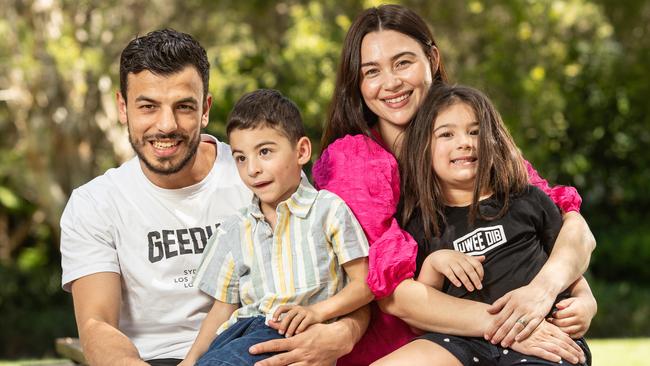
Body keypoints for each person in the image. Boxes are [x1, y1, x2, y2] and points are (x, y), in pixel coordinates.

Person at [289, 4, 594, 366]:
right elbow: (392, 293)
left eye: (403, 63)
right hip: (409, 341)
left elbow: (570, 225)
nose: (390, 83)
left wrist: (550, 294)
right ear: (357, 83)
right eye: (372, 71)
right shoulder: (357, 162)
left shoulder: (473, 141)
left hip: (501, 327)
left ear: (432, 59)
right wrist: (511, 325)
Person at [60, 29, 368, 366]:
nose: (166, 124)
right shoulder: (94, 203)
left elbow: (342, 279)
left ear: (205, 108)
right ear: (123, 107)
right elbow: (96, 325)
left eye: (184, 107)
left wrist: (343, 334)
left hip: (265, 343)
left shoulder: (261, 177)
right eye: (148, 106)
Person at [372, 84, 593, 365]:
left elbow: (571, 270)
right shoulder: (422, 222)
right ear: (424, 148)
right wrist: (434, 263)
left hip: (541, 334)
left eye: (475, 132)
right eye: (447, 134)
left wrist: (586, 302)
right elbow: (419, 322)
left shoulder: (527, 199)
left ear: (494, 139)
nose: (464, 142)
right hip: (461, 339)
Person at [180, 89, 372, 366]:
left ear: (301, 151)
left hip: (292, 331)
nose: (252, 169)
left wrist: (318, 312)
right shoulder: (236, 228)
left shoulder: (328, 211)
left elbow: (364, 284)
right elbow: (222, 308)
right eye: (241, 158)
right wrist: (189, 361)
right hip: (239, 334)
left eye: (265, 152)